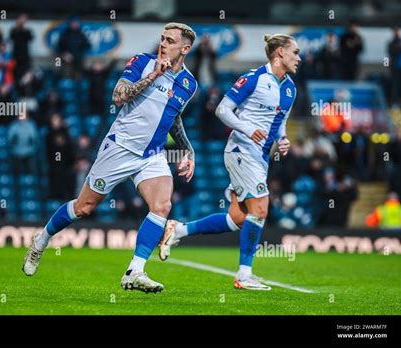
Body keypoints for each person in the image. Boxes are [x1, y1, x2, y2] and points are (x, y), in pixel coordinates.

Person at [23, 23, 198, 293]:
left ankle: (134, 271)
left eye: (171, 41)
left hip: (151, 154)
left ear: (185, 49)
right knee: (84, 208)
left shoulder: (189, 83)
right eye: (162, 38)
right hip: (120, 147)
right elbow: (118, 97)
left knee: (162, 206)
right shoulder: (142, 62)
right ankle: (41, 240)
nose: (163, 44)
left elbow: (173, 117)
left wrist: (188, 149)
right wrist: (153, 76)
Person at [158, 33, 301, 291]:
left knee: (236, 219)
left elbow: (280, 124)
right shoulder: (254, 78)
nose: (299, 58)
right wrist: (247, 129)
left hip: (260, 157)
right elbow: (222, 109)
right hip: (241, 150)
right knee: (260, 210)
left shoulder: (290, 88)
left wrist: (284, 140)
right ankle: (244, 275)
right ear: (280, 53)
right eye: (295, 53)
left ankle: (178, 230)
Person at [388, 26, 401, 107]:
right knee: (395, 86)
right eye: (394, 31)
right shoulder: (390, 43)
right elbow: (386, 57)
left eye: (397, 31)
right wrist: (386, 66)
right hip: (395, 68)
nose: (396, 32)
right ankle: (394, 102)